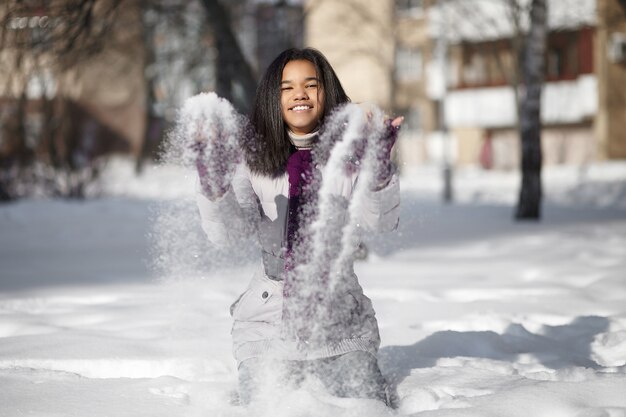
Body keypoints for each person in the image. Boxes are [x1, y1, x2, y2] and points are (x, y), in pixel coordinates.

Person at [194, 48, 402, 405]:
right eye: (287, 88)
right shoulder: (254, 156)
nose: (300, 94)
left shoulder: (350, 152)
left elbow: (380, 221)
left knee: (365, 408)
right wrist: (214, 187)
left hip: (343, 326)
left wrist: (379, 168)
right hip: (266, 326)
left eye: (310, 84)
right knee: (268, 408)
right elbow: (228, 233)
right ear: (273, 98)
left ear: (327, 92)